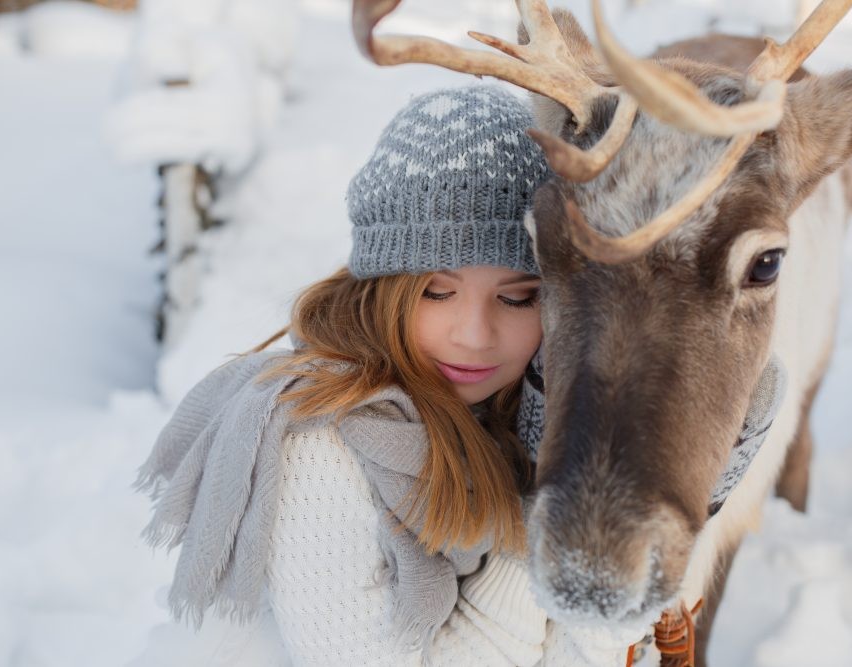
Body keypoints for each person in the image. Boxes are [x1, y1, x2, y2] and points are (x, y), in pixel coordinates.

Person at [131, 85, 642, 667]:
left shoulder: (518, 411)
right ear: (384, 288)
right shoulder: (323, 441)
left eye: (519, 299)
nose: (474, 334)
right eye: (436, 291)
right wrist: (546, 516)